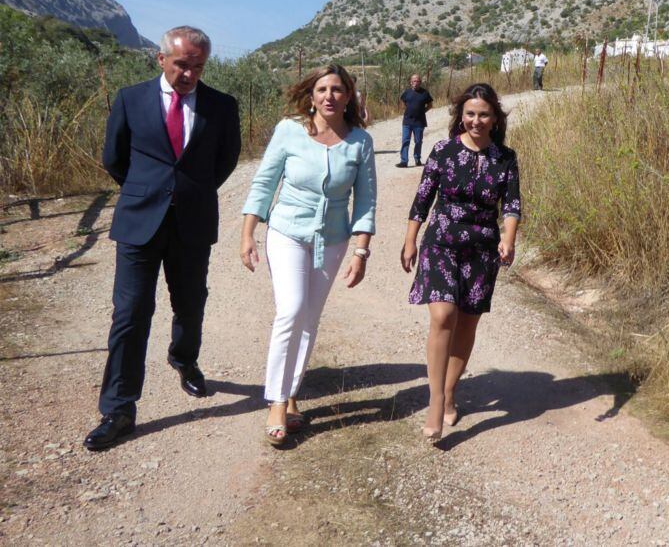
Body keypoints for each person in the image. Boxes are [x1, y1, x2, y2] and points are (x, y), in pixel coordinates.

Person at [85, 26, 241, 451]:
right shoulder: (131, 99)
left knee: (190, 303)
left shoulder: (222, 106)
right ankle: (118, 409)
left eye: (197, 66)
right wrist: (146, 192)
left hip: (192, 222)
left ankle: (184, 360)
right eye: (181, 64)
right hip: (139, 222)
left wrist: (190, 192)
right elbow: (114, 158)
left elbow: (224, 162)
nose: (189, 74)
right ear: (160, 59)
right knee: (130, 312)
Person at [239, 64, 377, 447]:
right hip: (286, 233)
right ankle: (277, 401)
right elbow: (265, 182)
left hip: (331, 241)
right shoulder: (289, 131)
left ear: (349, 96)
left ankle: (293, 390)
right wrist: (248, 232)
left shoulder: (360, 143)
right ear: (311, 95)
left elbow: (365, 202)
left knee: (310, 319)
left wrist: (361, 251)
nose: (329, 96)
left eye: (337, 89)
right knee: (291, 309)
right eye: (322, 89)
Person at [400, 82, 521, 443]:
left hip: (482, 248)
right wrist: (410, 240)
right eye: (470, 113)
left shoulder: (505, 158)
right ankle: (436, 402)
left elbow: (512, 205)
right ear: (461, 116)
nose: (476, 120)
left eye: (484, 114)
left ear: (495, 118)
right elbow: (422, 200)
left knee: (467, 324)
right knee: (442, 316)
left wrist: (508, 238)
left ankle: (450, 390)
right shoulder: (442, 151)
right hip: (441, 240)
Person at [397, 73, 433, 168]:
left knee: (418, 141)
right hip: (407, 121)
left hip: (419, 122)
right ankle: (404, 161)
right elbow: (402, 102)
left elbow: (430, 105)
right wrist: (407, 110)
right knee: (405, 141)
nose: (416, 83)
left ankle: (417, 159)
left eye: (418, 81)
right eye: (414, 81)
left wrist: (422, 111)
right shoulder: (407, 92)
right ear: (411, 82)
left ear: (420, 82)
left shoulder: (425, 93)